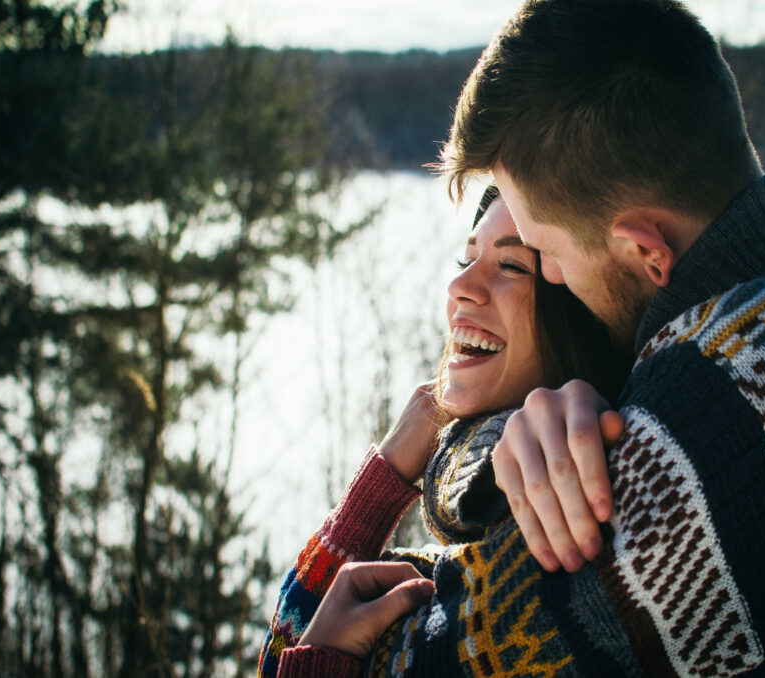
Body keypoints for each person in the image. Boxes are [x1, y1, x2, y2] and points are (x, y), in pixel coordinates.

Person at [438, 0, 765, 676]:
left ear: (648, 253)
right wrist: (506, 437)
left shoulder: (717, 420)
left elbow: (416, 650)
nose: (553, 278)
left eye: (541, 252)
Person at [256, 186, 630, 677]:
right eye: (465, 259)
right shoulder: (454, 557)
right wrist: (378, 486)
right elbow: (290, 648)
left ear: (579, 311)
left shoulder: (546, 534)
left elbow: (282, 658)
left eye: (512, 266)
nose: (460, 287)